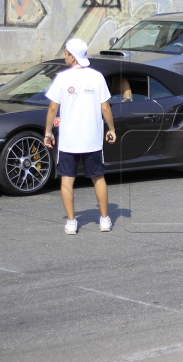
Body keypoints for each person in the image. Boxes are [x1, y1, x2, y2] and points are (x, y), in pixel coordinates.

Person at [44, 38, 117, 235]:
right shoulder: (97, 77)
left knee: (67, 180)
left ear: (73, 56)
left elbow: (52, 108)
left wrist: (48, 132)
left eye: (66, 52)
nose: (64, 55)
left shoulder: (62, 78)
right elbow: (105, 107)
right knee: (98, 178)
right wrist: (111, 129)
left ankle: (71, 222)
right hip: (92, 138)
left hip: (69, 140)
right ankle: (104, 220)